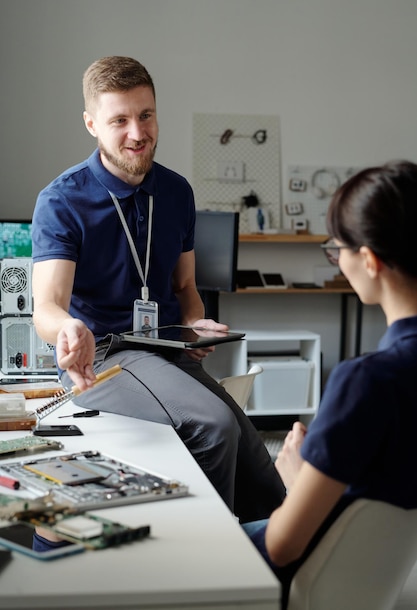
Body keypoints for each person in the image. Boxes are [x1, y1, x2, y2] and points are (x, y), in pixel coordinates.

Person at [31, 56, 285, 525]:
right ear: (91, 123)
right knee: (215, 425)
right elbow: (47, 305)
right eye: (119, 120)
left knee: (257, 463)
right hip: (102, 358)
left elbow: (185, 285)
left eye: (145, 115)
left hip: (164, 350)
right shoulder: (62, 200)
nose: (137, 132)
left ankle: (268, 565)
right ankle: (206, 550)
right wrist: (68, 329)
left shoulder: (177, 192)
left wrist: (194, 323)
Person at [242, 160, 417, 608]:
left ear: (370, 259)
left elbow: (283, 547)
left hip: (302, 575)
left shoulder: (367, 381)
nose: (336, 257)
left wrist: (295, 479)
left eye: (336, 247)